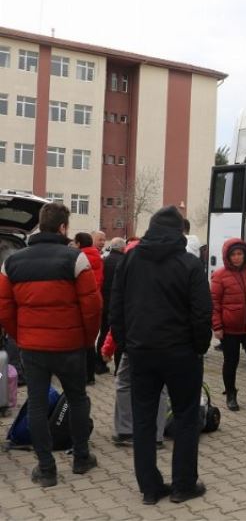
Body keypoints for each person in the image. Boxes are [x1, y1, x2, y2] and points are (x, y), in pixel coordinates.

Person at [110, 206, 212, 505]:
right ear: (180, 231)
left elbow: (115, 306)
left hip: (141, 351)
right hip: (181, 353)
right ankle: (183, 485)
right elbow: (202, 312)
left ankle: (150, 488)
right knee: (186, 417)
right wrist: (199, 346)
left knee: (143, 420)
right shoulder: (189, 264)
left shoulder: (130, 259)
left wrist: (126, 343)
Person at [0, 202, 102, 487]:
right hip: (70, 346)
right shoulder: (76, 259)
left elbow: (4, 308)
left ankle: (46, 470)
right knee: (78, 399)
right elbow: (92, 307)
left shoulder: (12, 263)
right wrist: (86, 340)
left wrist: (21, 337)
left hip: (33, 348)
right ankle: (81, 458)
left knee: (35, 403)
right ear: (62, 227)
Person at [102, 239, 170, 448]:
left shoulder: (127, 276)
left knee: (125, 383)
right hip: (163, 341)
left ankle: (125, 431)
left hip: (135, 342)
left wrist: (115, 344)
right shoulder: (169, 270)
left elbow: (118, 314)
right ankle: (156, 435)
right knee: (159, 388)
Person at [211, 238, 246, 412]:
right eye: (233, 254)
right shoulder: (219, 275)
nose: (237, 257)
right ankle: (231, 394)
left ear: (245, 255)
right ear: (228, 256)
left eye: (240, 253)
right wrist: (217, 326)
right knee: (231, 362)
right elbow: (214, 303)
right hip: (230, 329)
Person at [76, 232, 104, 384]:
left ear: (79, 243)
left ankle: (81, 375)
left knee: (80, 341)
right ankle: (90, 376)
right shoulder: (98, 257)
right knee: (90, 340)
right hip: (95, 301)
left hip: (80, 303)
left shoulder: (78, 258)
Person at [96, 237, 126, 374]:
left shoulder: (105, 260)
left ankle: (100, 363)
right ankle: (118, 367)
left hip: (104, 301)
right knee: (116, 334)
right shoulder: (124, 262)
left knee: (103, 332)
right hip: (117, 303)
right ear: (122, 248)